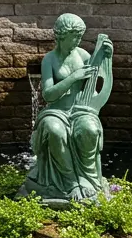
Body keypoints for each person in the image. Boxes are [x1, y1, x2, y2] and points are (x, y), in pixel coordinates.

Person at [22, 12, 114, 205]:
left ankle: (88, 179)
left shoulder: (84, 55)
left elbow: (99, 87)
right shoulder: (50, 59)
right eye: (75, 36)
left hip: (81, 110)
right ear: (62, 36)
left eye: (80, 36)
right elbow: (47, 95)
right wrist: (73, 77)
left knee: (89, 129)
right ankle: (71, 182)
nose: (78, 41)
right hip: (56, 112)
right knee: (54, 130)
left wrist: (107, 60)